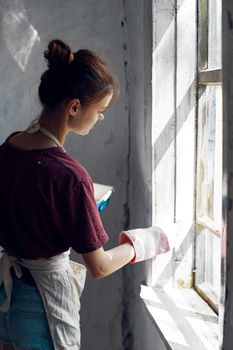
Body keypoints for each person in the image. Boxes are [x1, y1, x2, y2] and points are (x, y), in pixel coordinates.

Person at [0, 39, 169, 350]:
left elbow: (24, 205)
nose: (101, 117)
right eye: (100, 110)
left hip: (6, 301)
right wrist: (144, 242)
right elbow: (99, 266)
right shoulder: (71, 176)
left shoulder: (10, 147)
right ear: (75, 107)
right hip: (43, 307)